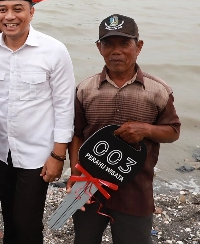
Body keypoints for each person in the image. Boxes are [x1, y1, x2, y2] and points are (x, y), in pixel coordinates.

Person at [67, 14, 181, 244]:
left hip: (136, 190)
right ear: (99, 48)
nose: (116, 51)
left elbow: (173, 131)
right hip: (89, 187)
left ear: (138, 47)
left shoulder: (158, 90)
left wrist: (146, 129)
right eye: (108, 44)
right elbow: (77, 134)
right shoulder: (85, 89)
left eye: (124, 44)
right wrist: (77, 175)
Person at [0, 0, 75, 244]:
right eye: (2, 10)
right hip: (1, 151)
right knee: (9, 218)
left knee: (27, 223)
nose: (10, 17)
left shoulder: (54, 50)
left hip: (37, 155)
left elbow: (65, 106)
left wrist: (58, 154)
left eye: (18, 9)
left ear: (31, 12)